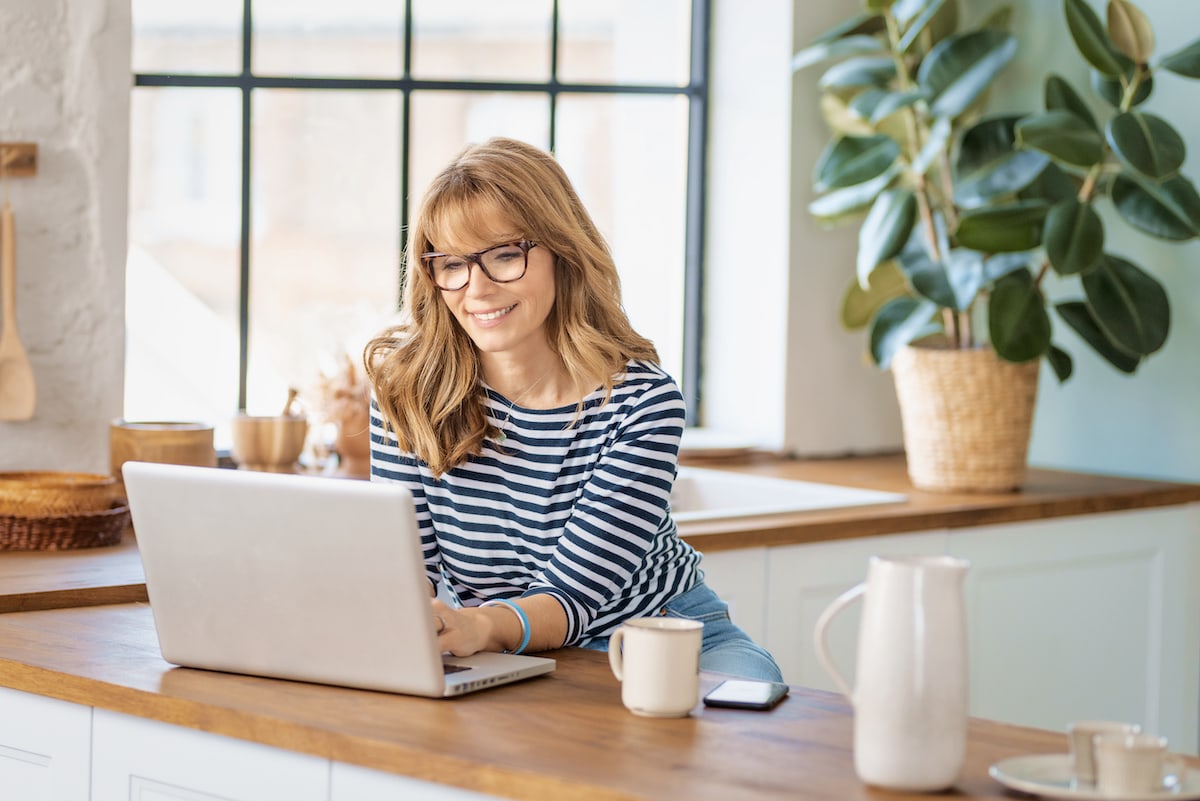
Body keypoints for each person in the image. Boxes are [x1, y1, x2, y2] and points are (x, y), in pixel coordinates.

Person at [364, 137, 782, 681]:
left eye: (505, 255)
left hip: (659, 639)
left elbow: (572, 597)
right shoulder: (408, 390)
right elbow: (405, 567)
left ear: (562, 251)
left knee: (737, 730)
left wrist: (481, 628)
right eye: (452, 264)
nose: (478, 288)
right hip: (502, 649)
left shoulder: (641, 403)